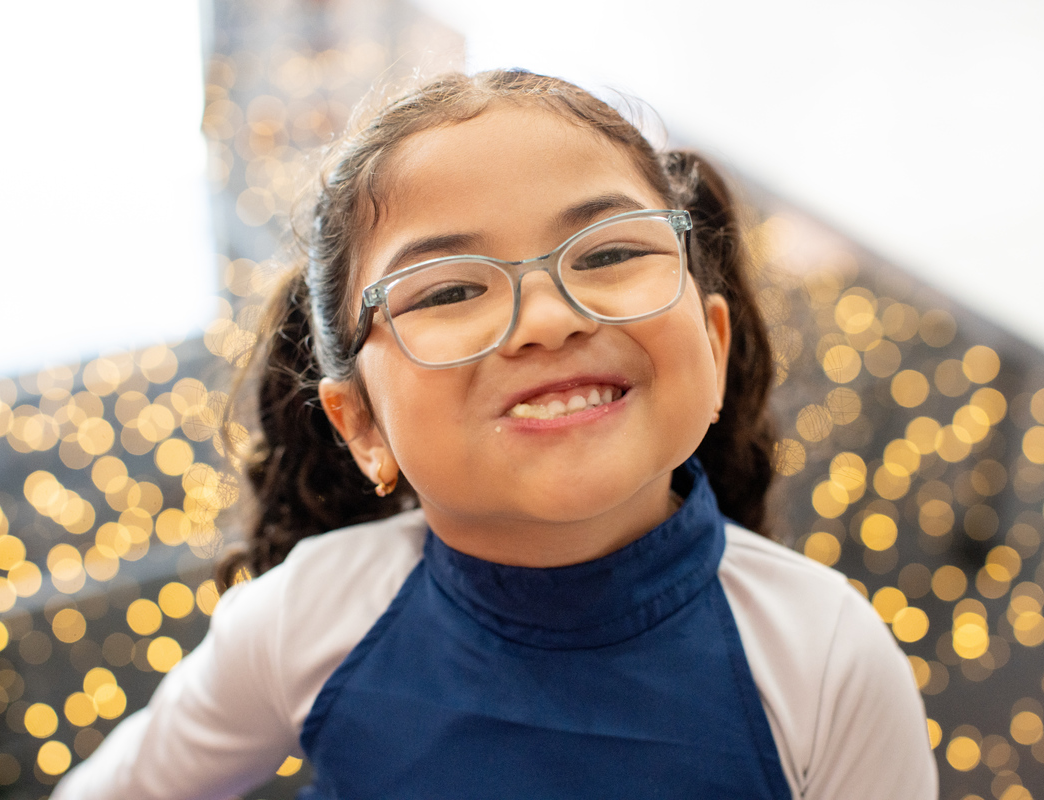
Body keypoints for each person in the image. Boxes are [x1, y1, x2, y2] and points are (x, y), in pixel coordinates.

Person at [53, 69, 938, 799]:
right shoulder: (306, 618)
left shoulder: (829, 660)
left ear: (711, 341)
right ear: (361, 424)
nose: (546, 320)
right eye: (446, 290)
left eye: (607, 253)